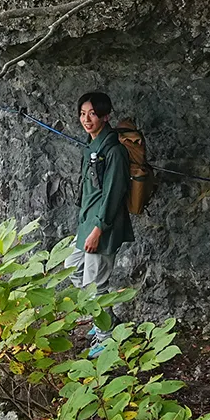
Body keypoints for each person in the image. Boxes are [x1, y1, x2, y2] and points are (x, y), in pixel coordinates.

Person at [67, 90, 133, 332]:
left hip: (103, 225)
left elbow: (114, 194)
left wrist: (98, 230)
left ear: (106, 117)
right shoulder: (92, 147)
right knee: (73, 268)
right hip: (88, 223)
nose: (86, 119)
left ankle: (105, 337)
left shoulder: (114, 152)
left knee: (96, 285)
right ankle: (106, 320)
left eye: (93, 114)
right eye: (83, 114)